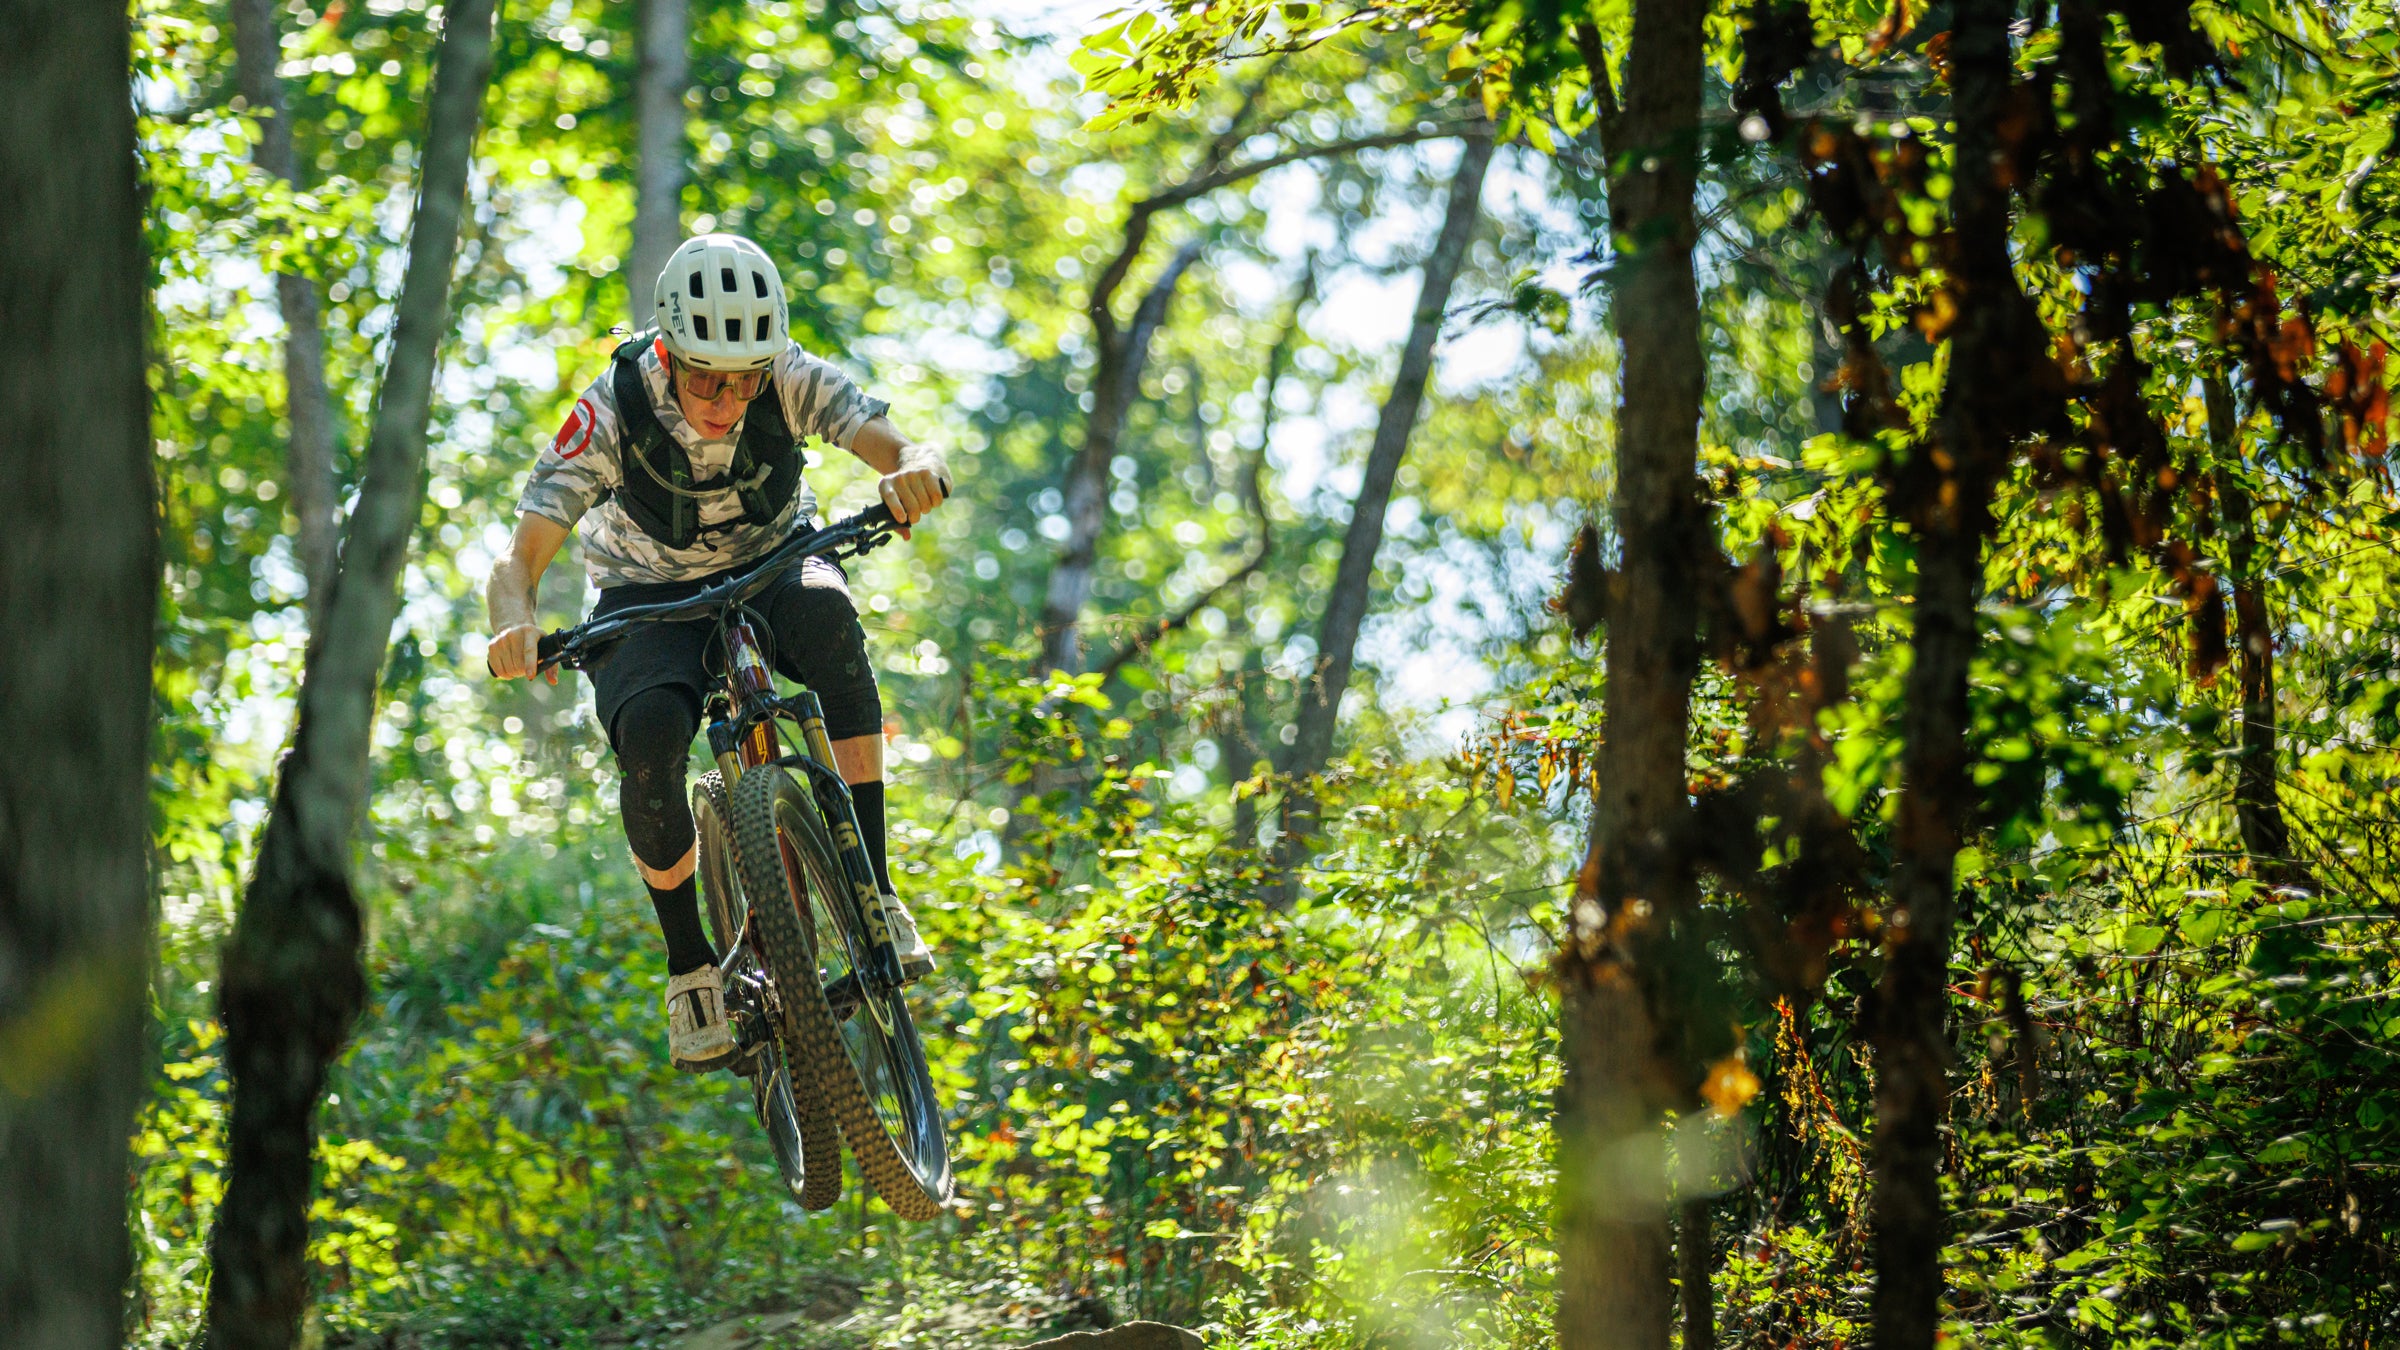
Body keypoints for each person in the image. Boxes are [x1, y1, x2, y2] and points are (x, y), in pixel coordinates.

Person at [486, 233, 950, 1072]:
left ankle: (874, 889)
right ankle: (690, 967)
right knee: (653, 736)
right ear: (667, 348)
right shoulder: (612, 408)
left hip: (774, 559)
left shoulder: (788, 376)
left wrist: (914, 471)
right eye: (704, 376)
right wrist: (513, 624)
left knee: (833, 628)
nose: (726, 398)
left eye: (744, 379)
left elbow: (897, 444)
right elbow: (519, 560)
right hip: (647, 598)